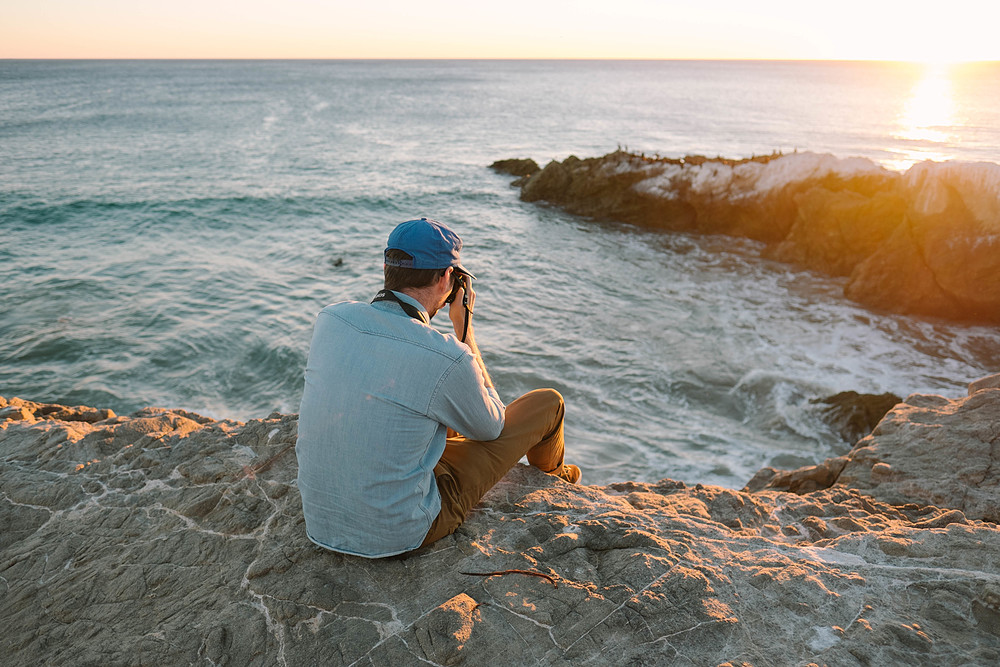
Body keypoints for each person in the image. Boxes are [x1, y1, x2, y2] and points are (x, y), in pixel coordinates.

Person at [296, 217, 580, 558]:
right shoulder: (445, 354)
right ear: (447, 277)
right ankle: (557, 479)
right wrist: (464, 331)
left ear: (388, 267)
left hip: (321, 523)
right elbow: (490, 428)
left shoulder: (332, 318)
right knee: (548, 403)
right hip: (399, 535)